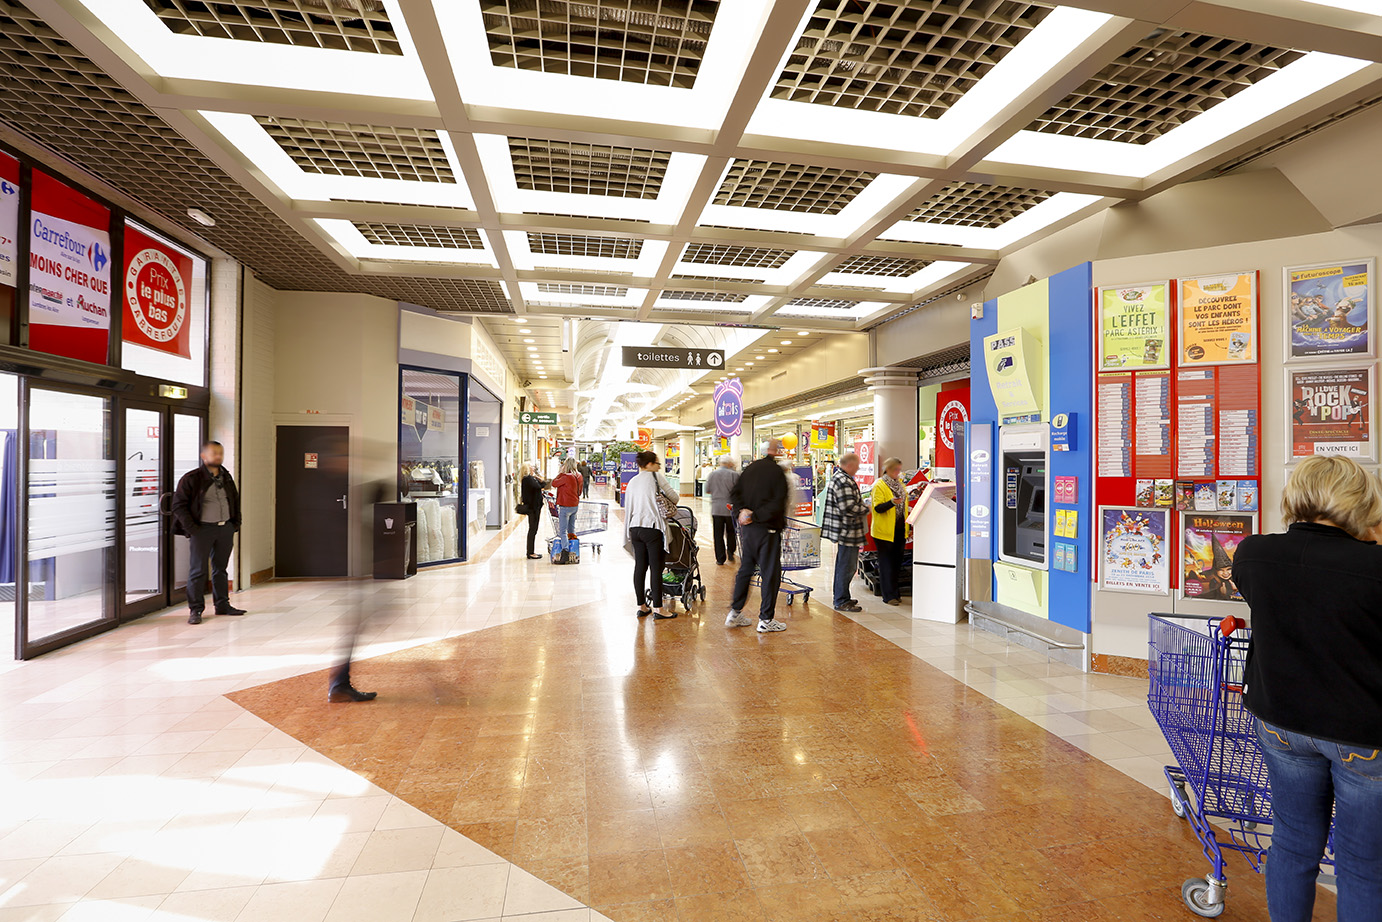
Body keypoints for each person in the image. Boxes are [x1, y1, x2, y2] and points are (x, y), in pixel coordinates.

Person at [1233, 456, 1382, 922]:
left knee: (1293, 843)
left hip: (1282, 723)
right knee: (1363, 866)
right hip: (1363, 734)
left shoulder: (1253, 554)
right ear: (1362, 502)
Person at [171, 440, 246, 625]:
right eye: (214, 453)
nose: (218, 456)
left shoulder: (226, 477)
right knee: (198, 570)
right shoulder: (192, 478)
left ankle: (222, 605)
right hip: (202, 530)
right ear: (203, 456)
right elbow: (178, 505)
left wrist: (235, 524)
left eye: (220, 453)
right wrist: (193, 529)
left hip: (225, 528)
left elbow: (234, 501)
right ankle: (196, 610)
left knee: (220, 569)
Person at [725, 439, 790, 633]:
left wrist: (741, 512)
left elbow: (734, 493)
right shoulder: (777, 472)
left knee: (746, 569)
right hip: (767, 530)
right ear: (774, 451)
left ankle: (735, 613)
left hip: (748, 530)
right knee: (770, 573)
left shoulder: (750, 469)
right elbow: (778, 502)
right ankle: (766, 619)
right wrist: (755, 516)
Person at [624, 450, 677, 621]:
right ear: (649, 464)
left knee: (640, 566)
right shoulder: (656, 477)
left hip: (635, 528)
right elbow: (674, 498)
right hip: (652, 527)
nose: (659, 467)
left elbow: (628, 506)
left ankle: (642, 606)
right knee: (656, 567)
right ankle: (659, 608)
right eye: (657, 463)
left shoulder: (632, 481)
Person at [821, 454, 869, 612]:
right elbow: (848, 507)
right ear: (849, 465)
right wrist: (866, 508)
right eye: (857, 465)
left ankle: (843, 597)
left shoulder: (840, 478)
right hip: (848, 530)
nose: (858, 468)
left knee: (846, 564)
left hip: (846, 529)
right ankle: (841, 600)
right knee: (847, 566)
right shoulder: (843, 481)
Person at [870, 457, 908, 606]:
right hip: (884, 532)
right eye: (895, 469)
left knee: (897, 564)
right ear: (888, 469)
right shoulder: (879, 485)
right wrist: (892, 502)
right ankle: (888, 595)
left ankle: (895, 592)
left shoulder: (900, 485)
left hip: (899, 530)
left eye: (899, 469)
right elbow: (878, 508)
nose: (898, 472)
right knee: (886, 564)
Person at [704, 456, 739, 565]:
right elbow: (739, 491)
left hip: (716, 508)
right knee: (731, 532)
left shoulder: (712, 474)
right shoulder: (734, 475)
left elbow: (707, 490)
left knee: (718, 534)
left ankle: (720, 558)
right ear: (729, 463)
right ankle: (731, 551)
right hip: (730, 508)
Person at [552, 458, 583, 564]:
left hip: (565, 506)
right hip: (575, 505)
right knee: (571, 529)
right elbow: (580, 492)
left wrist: (560, 473)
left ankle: (565, 553)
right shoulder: (579, 476)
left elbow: (554, 483)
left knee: (562, 531)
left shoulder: (565, 476)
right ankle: (573, 552)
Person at [519, 463, 546, 560]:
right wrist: (537, 478)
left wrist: (537, 478)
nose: (533, 468)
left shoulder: (530, 479)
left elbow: (543, 484)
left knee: (533, 529)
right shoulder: (528, 479)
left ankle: (531, 551)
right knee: (532, 529)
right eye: (531, 467)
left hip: (535, 507)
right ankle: (530, 552)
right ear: (527, 469)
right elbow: (539, 486)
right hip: (533, 508)